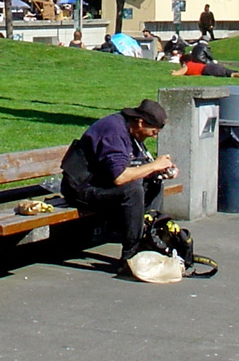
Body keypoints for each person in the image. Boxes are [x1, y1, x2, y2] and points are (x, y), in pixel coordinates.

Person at [60, 99, 175, 270]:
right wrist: (154, 165)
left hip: (101, 182)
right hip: (81, 188)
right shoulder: (114, 132)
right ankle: (130, 256)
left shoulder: (133, 131)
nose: (154, 136)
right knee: (133, 190)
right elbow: (119, 178)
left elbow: (134, 165)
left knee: (154, 182)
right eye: (153, 131)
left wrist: (159, 171)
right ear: (141, 122)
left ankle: (147, 237)